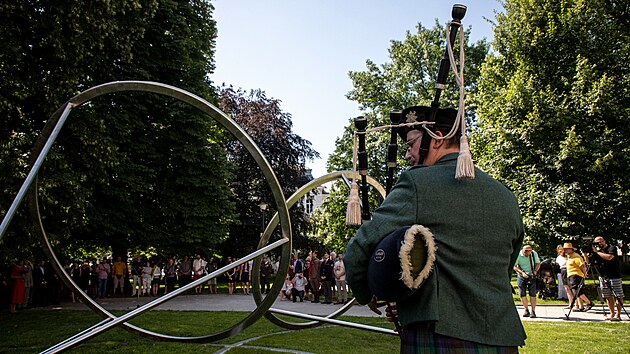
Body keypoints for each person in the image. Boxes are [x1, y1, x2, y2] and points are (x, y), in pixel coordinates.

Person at [344, 106, 526, 351]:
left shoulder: (417, 182)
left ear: (438, 138)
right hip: (502, 338)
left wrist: (371, 292)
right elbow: (503, 271)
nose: (407, 156)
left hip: (440, 336)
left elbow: (358, 249)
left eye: (411, 145)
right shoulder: (506, 196)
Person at [586, 236, 624, 321]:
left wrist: (596, 252)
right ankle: (612, 314)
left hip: (614, 276)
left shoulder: (611, 248)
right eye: (597, 242)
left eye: (601, 241)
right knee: (608, 296)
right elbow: (589, 262)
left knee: (618, 295)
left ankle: (618, 315)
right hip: (603, 276)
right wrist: (585, 253)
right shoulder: (596, 252)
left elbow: (609, 257)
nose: (599, 243)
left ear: (604, 241)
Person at [564, 242, 594, 312]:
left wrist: (585, 273)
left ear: (571, 249)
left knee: (576, 290)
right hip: (571, 275)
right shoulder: (569, 257)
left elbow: (582, 265)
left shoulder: (576, 256)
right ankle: (581, 306)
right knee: (575, 291)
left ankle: (589, 302)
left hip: (576, 275)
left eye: (567, 249)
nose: (566, 251)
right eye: (565, 249)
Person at [514, 245, 541, 318]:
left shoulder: (533, 253)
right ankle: (526, 310)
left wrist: (535, 271)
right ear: (523, 250)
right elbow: (515, 266)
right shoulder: (518, 255)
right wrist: (522, 273)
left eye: (530, 251)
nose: (528, 253)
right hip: (521, 275)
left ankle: (533, 311)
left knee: (532, 294)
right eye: (526, 251)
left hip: (532, 275)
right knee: (522, 294)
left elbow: (538, 263)